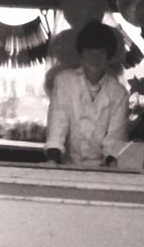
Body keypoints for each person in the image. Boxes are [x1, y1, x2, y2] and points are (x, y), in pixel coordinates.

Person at [45, 22, 128, 167]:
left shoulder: (118, 92)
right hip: (68, 168)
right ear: (81, 54)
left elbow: (115, 138)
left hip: (103, 171)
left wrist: (113, 168)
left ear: (109, 56)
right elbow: (57, 124)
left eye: (101, 53)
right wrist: (52, 160)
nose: (95, 59)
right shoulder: (64, 81)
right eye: (90, 52)